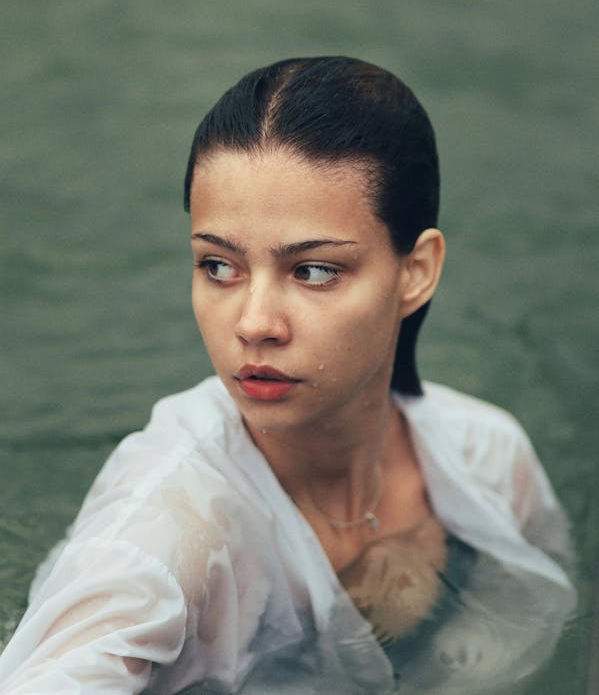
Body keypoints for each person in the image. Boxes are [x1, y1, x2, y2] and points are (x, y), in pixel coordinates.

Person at [0, 57, 576, 695]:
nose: (253, 323)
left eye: (314, 271)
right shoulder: (163, 533)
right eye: (218, 266)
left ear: (416, 271)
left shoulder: (492, 461)